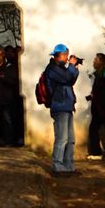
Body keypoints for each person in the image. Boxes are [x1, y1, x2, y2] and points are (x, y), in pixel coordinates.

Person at [36, 43, 81, 174]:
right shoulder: (52, 69)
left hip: (66, 106)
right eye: (66, 55)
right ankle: (57, 165)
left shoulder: (60, 68)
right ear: (60, 55)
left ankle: (68, 166)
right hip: (59, 106)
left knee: (70, 139)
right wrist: (71, 66)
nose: (67, 58)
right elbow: (67, 77)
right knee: (62, 138)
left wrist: (74, 68)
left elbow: (70, 81)